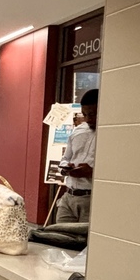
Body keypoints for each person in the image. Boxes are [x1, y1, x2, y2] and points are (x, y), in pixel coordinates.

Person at [56, 89, 98, 224]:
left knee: (83, 243)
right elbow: (65, 159)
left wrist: (92, 172)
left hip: (91, 199)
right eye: (85, 114)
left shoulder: (114, 135)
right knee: (59, 238)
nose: (88, 119)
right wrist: (65, 169)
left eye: (92, 114)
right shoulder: (78, 131)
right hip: (68, 197)